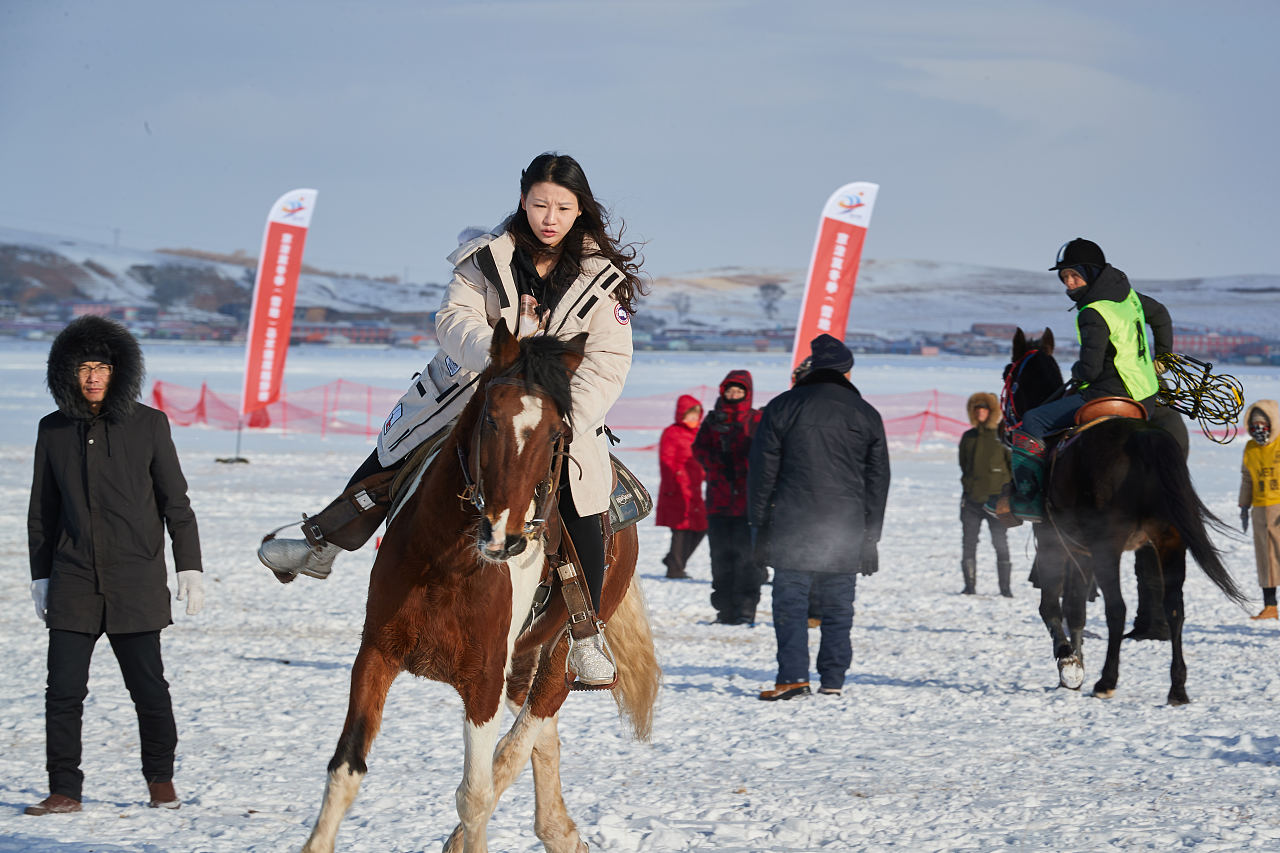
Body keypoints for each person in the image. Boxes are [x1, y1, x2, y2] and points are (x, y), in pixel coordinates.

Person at [257, 153, 644, 686]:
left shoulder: (603, 281)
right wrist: (502, 360)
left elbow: (608, 360)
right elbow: (453, 320)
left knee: (583, 498)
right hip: (471, 392)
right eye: (540, 205)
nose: (549, 218)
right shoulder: (483, 259)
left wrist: (563, 409)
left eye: (562, 207)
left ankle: (585, 629)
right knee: (398, 454)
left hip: (557, 408)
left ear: (580, 209)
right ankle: (322, 541)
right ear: (523, 201)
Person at [26, 316, 204, 815]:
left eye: (101, 367)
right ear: (67, 372)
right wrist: (41, 575)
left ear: (118, 371)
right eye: (83, 367)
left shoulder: (149, 425)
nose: (92, 377)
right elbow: (41, 511)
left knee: (149, 689)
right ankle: (64, 789)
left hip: (135, 581)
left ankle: (161, 783)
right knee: (62, 693)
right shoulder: (52, 430)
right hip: (73, 580)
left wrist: (189, 566)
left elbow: (176, 503)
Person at [989, 238, 1172, 522]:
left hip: (1107, 393)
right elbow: (1160, 314)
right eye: (1065, 277)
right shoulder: (1128, 297)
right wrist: (1163, 357)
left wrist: (1076, 372)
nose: (1069, 283)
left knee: (1034, 420)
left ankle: (1028, 499)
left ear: (1092, 272)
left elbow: (1091, 370)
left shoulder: (1092, 311)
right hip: (1145, 396)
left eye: (1075, 275)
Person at [748, 334, 890, 699]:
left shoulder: (782, 406)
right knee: (839, 605)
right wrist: (871, 535)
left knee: (790, 604)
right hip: (846, 527)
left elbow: (762, 473)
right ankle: (833, 680)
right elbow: (878, 480)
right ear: (846, 371)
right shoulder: (865, 413)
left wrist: (758, 524)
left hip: (791, 524)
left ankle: (794, 677)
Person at [693, 370, 764, 625]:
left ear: (747, 393)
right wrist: (716, 461)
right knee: (721, 560)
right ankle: (725, 611)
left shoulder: (756, 419)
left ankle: (746, 610)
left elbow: (766, 451)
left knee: (748, 560)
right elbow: (699, 448)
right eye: (730, 390)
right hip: (719, 502)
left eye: (739, 390)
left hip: (748, 504)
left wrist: (745, 463)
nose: (734, 394)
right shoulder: (713, 419)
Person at [958, 392, 1012, 596]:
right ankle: (969, 586)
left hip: (997, 501)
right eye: (977, 409)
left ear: (991, 412)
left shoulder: (1002, 436)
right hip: (971, 500)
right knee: (968, 543)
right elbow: (964, 465)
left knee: (1000, 543)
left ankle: (1005, 589)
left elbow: (1011, 466)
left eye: (984, 409)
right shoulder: (968, 437)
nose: (980, 413)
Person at [656, 394, 707, 579]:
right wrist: (672, 486)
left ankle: (674, 560)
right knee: (680, 529)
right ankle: (675, 568)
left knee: (702, 526)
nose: (693, 418)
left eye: (696, 415)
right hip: (676, 488)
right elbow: (666, 460)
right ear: (681, 414)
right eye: (690, 414)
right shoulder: (672, 432)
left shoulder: (699, 433)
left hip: (694, 488)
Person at [1239, 400, 1280, 620]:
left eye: (1263, 424)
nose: (1259, 429)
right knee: (1265, 559)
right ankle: (1270, 605)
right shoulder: (1250, 448)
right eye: (1254, 425)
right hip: (1260, 509)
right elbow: (1247, 479)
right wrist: (1244, 506)